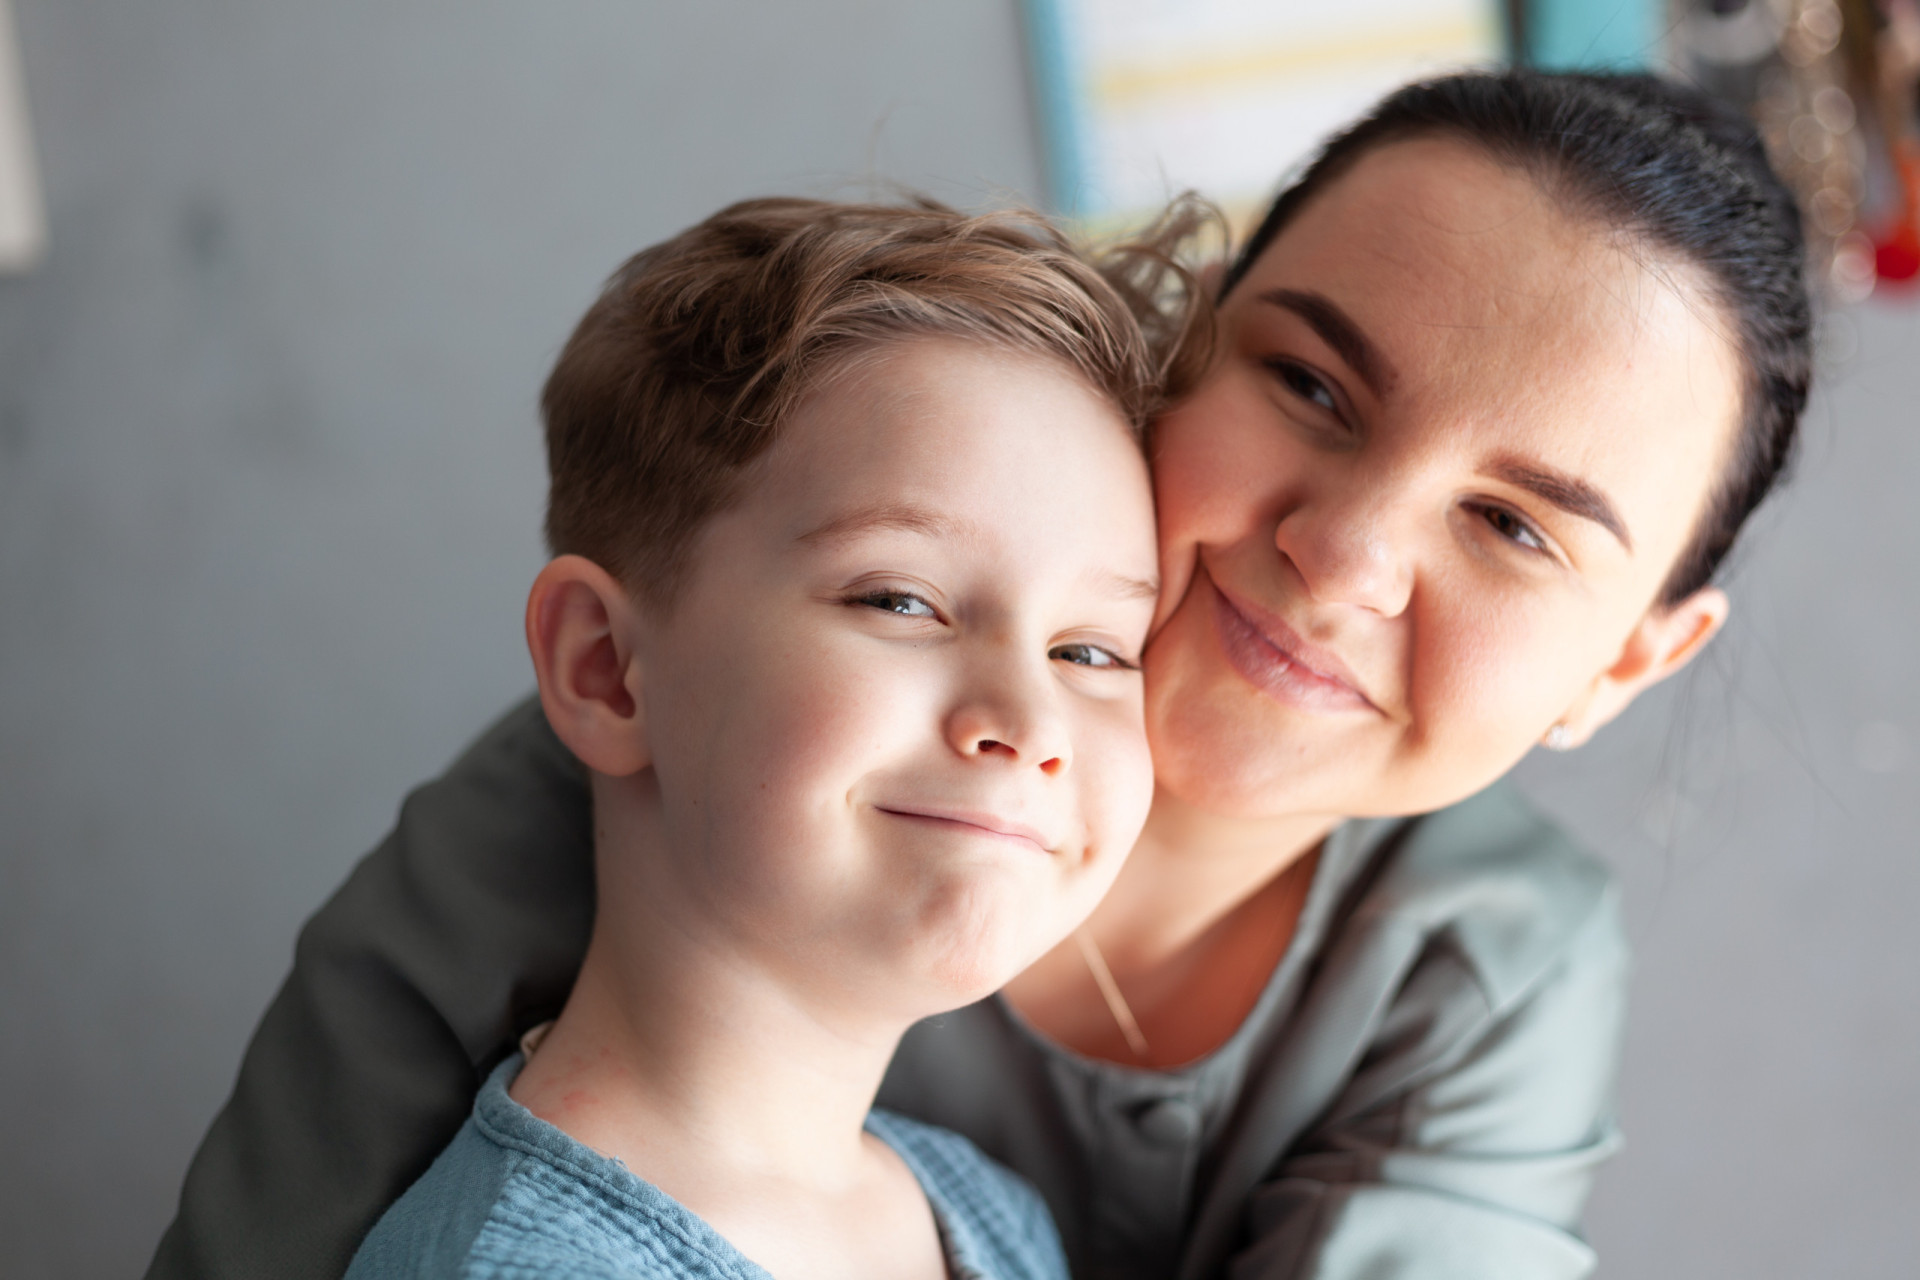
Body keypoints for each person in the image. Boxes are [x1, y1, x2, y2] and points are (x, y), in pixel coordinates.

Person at [147, 69, 1812, 1280]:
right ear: (1188, 345)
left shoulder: (1488, 970)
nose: (1349, 553)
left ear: (1633, 658)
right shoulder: (655, 761)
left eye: (1517, 529)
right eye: (1310, 385)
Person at [340, 195, 1209, 1279]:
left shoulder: (988, 1216)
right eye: (900, 600)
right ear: (604, 668)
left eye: (1091, 651)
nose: (1029, 723)